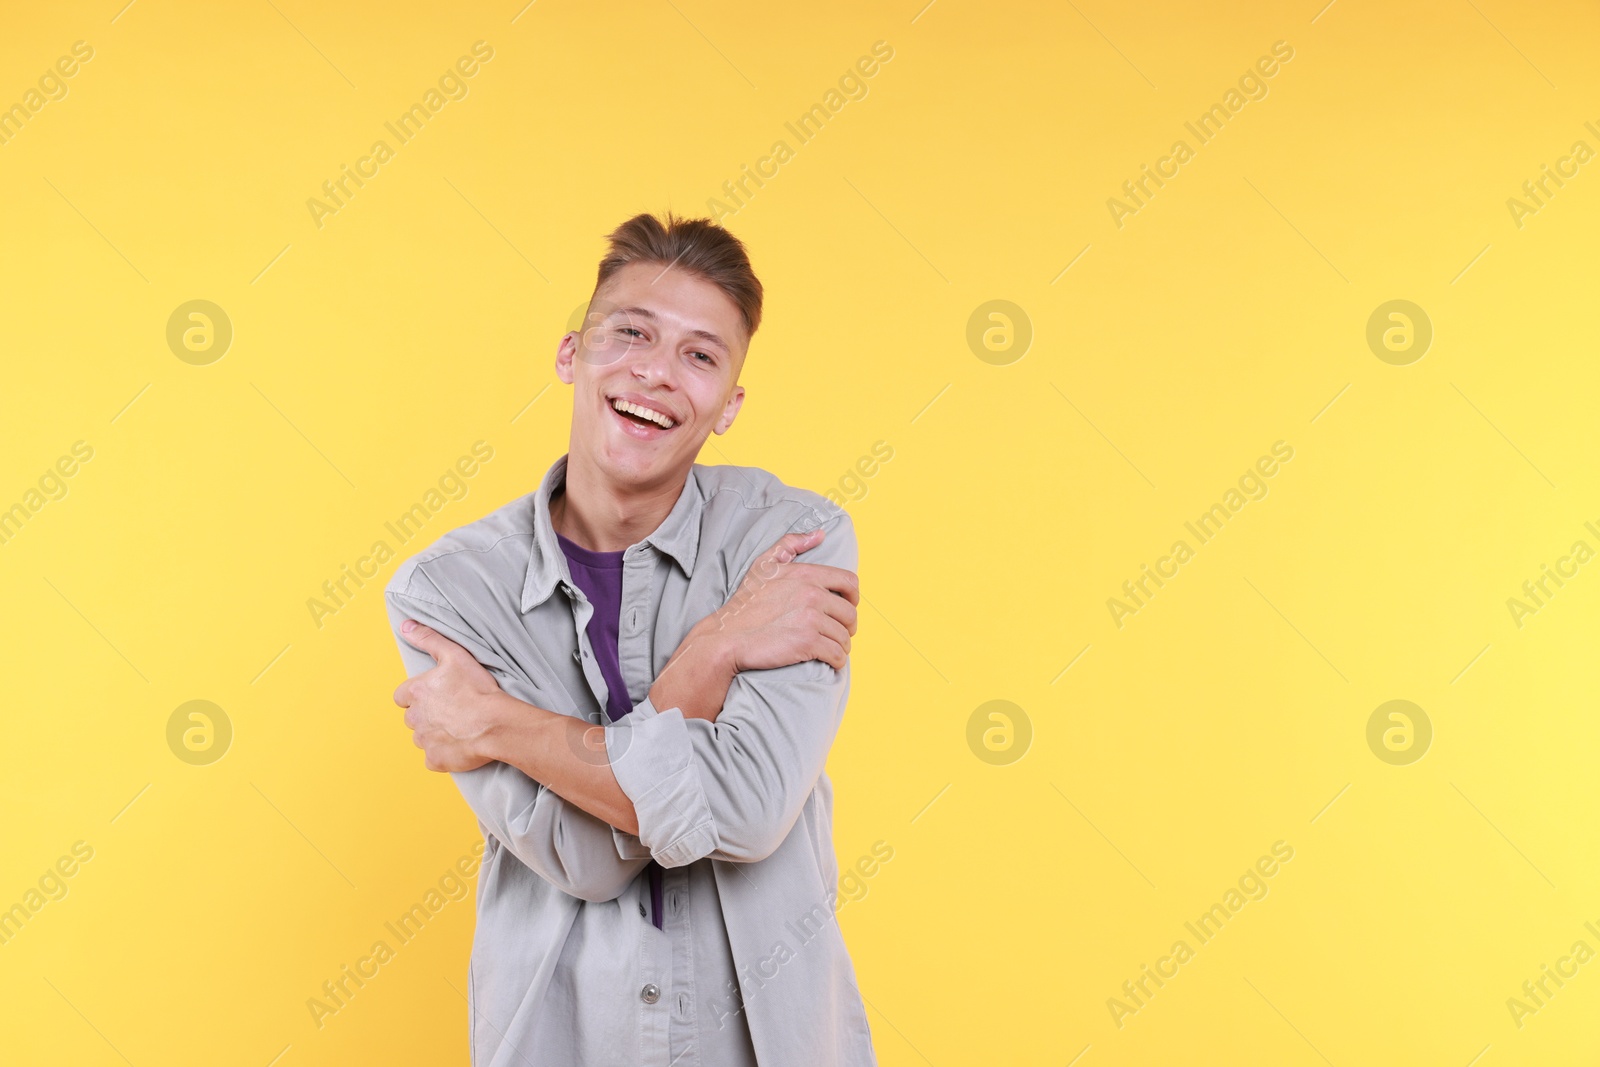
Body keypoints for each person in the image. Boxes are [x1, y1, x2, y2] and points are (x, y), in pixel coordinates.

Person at [383, 211, 877, 1066]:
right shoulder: (449, 592)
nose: (656, 372)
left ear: (728, 405)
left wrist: (500, 723)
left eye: (700, 355)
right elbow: (584, 858)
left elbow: (750, 809)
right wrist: (709, 658)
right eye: (632, 333)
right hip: (560, 1037)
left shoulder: (793, 543)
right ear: (572, 354)